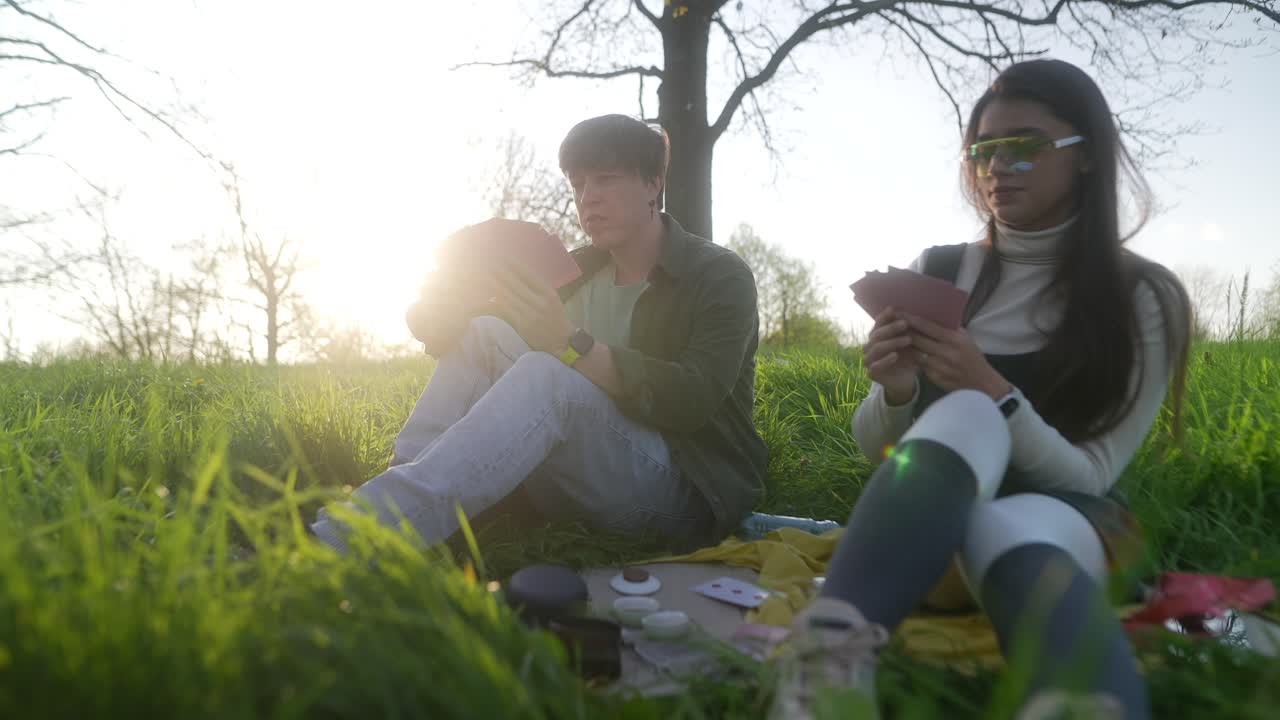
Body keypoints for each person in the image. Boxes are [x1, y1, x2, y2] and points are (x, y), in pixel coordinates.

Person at [770, 59, 1191, 720]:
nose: (997, 166)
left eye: (1024, 146)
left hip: (1070, 528)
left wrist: (991, 388)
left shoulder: (1143, 296)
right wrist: (898, 392)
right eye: (983, 151)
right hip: (926, 534)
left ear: (1086, 158)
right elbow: (879, 451)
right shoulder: (940, 271)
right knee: (966, 416)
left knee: (1000, 489)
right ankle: (825, 669)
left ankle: (1081, 705)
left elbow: (1090, 475)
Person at [311, 114, 768, 552]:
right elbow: (459, 333)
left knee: (547, 375)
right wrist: (443, 304)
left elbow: (695, 398)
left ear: (654, 184)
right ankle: (404, 509)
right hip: (579, 475)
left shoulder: (719, 275)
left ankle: (341, 542)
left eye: (606, 179)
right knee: (485, 332)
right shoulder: (576, 271)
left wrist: (569, 343)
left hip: (684, 494)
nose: (588, 197)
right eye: (579, 184)